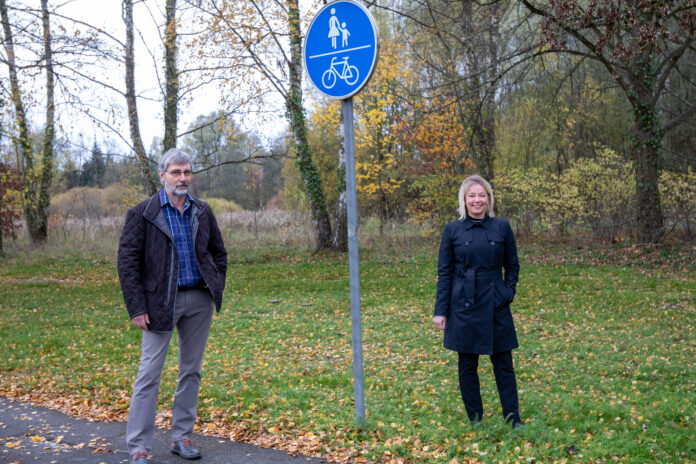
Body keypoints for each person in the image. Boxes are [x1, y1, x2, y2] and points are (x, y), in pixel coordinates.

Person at [117, 148, 228, 463]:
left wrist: (214, 284)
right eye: (177, 172)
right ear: (162, 175)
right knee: (149, 374)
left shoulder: (202, 211)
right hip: (158, 303)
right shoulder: (143, 213)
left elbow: (218, 253)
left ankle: (182, 438)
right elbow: (127, 263)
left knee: (191, 371)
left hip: (199, 300)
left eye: (187, 172)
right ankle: (139, 447)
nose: (183, 178)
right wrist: (137, 307)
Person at [433, 175, 522, 428]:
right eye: (472, 195)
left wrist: (507, 292)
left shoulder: (501, 227)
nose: (477, 200)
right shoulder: (452, 230)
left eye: (482, 195)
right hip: (464, 303)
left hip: (496, 303)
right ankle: (475, 419)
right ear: (464, 199)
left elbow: (513, 265)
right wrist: (441, 311)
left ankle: (513, 419)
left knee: (504, 364)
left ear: (489, 199)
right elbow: (445, 272)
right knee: (467, 365)